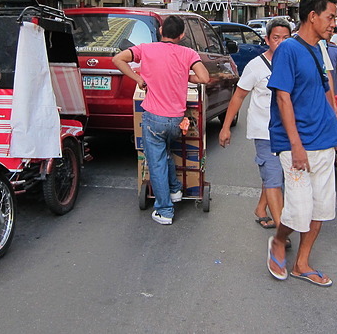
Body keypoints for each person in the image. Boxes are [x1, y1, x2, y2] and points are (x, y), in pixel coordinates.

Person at [266, 0, 337, 287]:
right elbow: (283, 98)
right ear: (312, 16)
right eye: (330, 17)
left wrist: (336, 121)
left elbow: (325, 88)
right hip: (298, 143)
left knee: (321, 208)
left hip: (324, 141)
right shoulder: (288, 49)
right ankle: (279, 241)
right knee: (298, 209)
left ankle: (302, 263)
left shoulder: (318, 49)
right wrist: (296, 146)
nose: (334, 23)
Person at [112, 15, 210, 225]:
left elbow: (117, 59)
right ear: (182, 35)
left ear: (160, 31)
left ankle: (165, 210)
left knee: (156, 163)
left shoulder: (146, 49)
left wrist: (138, 79)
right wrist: (184, 76)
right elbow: (204, 78)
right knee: (165, 153)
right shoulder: (188, 53)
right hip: (176, 120)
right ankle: (174, 190)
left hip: (154, 120)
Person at [219, 18, 292, 231]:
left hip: (288, 131)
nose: (280, 42)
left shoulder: (292, 62)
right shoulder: (256, 66)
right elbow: (239, 96)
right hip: (264, 131)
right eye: (276, 38)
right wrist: (225, 127)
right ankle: (281, 231)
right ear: (267, 40)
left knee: (276, 174)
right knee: (274, 176)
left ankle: (261, 208)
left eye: (285, 38)